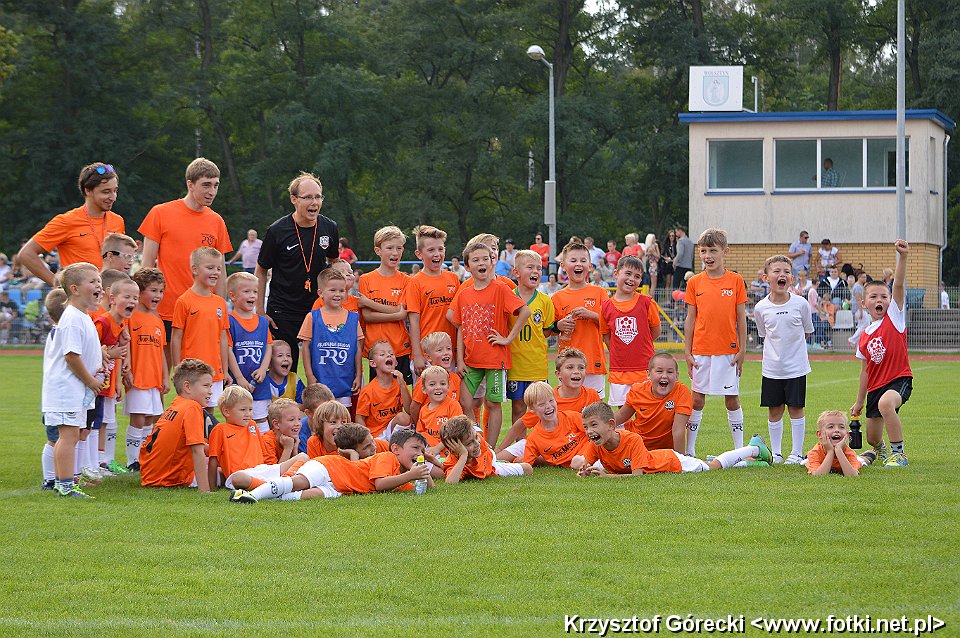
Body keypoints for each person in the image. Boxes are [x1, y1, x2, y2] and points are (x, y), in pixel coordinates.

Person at [139, 158, 232, 343]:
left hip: (203, 310)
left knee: (200, 361)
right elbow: (146, 267)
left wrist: (220, 309)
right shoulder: (160, 213)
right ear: (190, 184)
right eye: (206, 185)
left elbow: (221, 271)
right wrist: (147, 306)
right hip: (166, 308)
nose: (212, 192)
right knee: (165, 361)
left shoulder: (217, 221)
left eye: (216, 185)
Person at [256, 172, 339, 372]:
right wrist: (260, 311)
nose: (314, 202)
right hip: (283, 310)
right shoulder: (277, 230)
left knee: (322, 368)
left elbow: (333, 263)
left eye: (318, 197)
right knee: (284, 368)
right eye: (308, 197)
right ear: (294, 199)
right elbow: (261, 270)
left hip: (317, 309)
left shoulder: (329, 227)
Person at [450, 241, 529, 445]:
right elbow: (460, 327)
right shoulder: (464, 294)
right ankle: (475, 441)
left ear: (492, 262)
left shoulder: (500, 288)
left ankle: (490, 450)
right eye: (476, 260)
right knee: (465, 401)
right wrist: (460, 360)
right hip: (471, 360)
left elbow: (525, 312)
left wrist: (508, 339)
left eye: (485, 259)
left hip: (495, 360)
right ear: (467, 267)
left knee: (493, 404)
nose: (481, 263)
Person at [682, 228, 748, 457]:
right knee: (697, 400)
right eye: (703, 251)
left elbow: (741, 319)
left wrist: (742, 350)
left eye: (712, 250)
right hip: (700, 351)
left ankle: (739, 451)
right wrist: (687, 351)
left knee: (732, 400)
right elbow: (691, 319)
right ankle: (690, 451)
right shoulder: (694, 283)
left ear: (724, 251)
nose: (707, 256)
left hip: (728, 352)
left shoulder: (736, 281)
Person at [232, 428, 434, 502]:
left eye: (422, 450)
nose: (419, 453)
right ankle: (253, 495)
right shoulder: (387, 458)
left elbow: (427, 490)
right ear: (396, 449)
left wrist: (423, 471)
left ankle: (254, 491)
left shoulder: (401, 476)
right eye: (415, 448)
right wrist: (411, 475)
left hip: (341, 488)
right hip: (331, 467)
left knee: (306, 496)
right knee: (298, 482)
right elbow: (380, 484)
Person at [576, 402, 773, 477]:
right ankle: (753, 463)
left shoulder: (632, 440)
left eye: (594, 425)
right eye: (586, 427)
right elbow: (584, 464)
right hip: (665, 461)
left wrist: (607, 477)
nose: (589, 431)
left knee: (713, 467)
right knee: (712, 465)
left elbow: (637, 477)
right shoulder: (596, 444)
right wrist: (584, 472)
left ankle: (755, 448)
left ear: (611, 425)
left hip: (672, 462)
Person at [42, 263, 105, 498]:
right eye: (93, 281)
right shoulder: (71, 318)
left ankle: (64, 482)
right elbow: (71, 356)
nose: (99, 286)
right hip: (66, 389)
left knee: (72, 436)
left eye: (99, 281)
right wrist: (90, 381)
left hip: (75, 390)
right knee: (68, 437)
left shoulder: (82, 315)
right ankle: (65, 486)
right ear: (75, 289)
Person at [851, 240, 913, 468]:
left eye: (884, 297)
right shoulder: (864, 336)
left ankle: (899, 454)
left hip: (898, 380)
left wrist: (902, 257)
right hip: (875, 388)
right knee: (872, 437)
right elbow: (865, 372)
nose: (880, 300)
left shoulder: (894, 318)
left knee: (887, 404)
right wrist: (859, 401)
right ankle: (881, 450)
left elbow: (898, 286)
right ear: (863, 303)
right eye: (874, 297)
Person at [19, 163, 125, 287]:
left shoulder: (118, 221)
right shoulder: (66, 221)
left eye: (115, 191)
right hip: (80, 297)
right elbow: (26, 254)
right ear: (88, 190)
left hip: (111, 295)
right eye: (106, 192)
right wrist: (58, 285)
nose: (113, 197)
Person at [753, 256, 814, 465]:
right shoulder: (760, 308)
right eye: (777, 271)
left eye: (787, 272)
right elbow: (764, 334)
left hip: (796, 368)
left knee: (796, 408)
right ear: (766, 278)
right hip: (772, 368)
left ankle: (796, 453)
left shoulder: (801, 304)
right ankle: (777, 453)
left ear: (792, 278)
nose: (782, 275)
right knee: (774, 410)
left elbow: (806, 331)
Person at [497, 347, 600, 461]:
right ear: (558, 374)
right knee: (499, 458)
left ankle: (540, 460)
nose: (576, 371)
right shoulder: (548, 399)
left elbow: (601, 423)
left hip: (574, 446)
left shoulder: (591, 395)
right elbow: (522, 423)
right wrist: (500, 448)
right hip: (544, 443)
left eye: (581, 367)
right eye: (570, 367)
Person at [170, 247, 230, 416]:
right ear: (195, 269)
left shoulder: (220, 303)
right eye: (210, 268)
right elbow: (176, 337)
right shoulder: (184, 301)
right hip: (192, 371)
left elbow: (223, 337)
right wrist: (177, 368)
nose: (215, 272)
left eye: (218, 268)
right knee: (191, 411)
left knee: (208, 413)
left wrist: (225, 370)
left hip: (214, 371)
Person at [139, 358, 213, 492]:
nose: (210, 391)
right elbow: (197, 451)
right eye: (206, 386)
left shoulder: (177, 404)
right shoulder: (192, 407)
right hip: (169, 477)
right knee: (225, 470)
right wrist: (205, 491)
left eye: (210, 386)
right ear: (187, 386)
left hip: (152, 474)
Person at [600, 255, 661, 408]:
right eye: (628, 273)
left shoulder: (647, 302)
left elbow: (655, 331)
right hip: (619, 371)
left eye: (637, 276)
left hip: (644, 369)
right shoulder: (605, 307)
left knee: (646, 411)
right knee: (622, 413)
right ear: (616, 273)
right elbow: (607, 337)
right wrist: (621, 351)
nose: (631, 279)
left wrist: (640, 344)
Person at [123, 268, 168, 471]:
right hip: (138, 377)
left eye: (161, 291)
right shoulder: (131, 318)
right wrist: (128, 371)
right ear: (140, 292)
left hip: (154, 379)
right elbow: (126, 347)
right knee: (139, 418)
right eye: (153, 290)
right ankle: (132, 460)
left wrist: (165, 378)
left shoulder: (157, 320)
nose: (158, 295)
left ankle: (144, 457)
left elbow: (161, 352)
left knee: (151, 418)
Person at [299, 268, 363, 407]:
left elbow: (357, 348)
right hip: (320, 382)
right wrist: (309, 375)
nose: (338, 294)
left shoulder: (353, 318)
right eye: (332, 290)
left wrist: (358, 375)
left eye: (341, 290)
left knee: (341, 416)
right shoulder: (312, 317)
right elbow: (306, 347)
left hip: (344, 382)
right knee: (320, 415)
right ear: (320, 293)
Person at [552, 241, 607, 398]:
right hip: (567, 365)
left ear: (590, 266)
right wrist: (559, 325)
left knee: (595, 408)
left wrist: (591, 315)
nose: (578, 264)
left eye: (583, 260)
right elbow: (549, 330)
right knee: (569, 406)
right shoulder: (557, 297)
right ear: (563, 266)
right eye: (573, 260)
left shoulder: (599, 293)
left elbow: (610, 324)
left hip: (593, 362)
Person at [506, 250, 556, 425]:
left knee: (540, 409)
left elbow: (547, 331)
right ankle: (519, 442)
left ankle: (540, 440)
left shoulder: (545, 301)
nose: (536, 271)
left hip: (537, 365)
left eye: (539, 268)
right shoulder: (508, 297)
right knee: (518, 408)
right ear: (516, 272)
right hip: (515, 366)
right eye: (530, 267)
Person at [358, 226, 412, 384]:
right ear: (378, 250)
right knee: (379, 392)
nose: (395, 253)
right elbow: (367, 316)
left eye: (399, 248)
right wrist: (397, 315)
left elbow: (401, 311)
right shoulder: (366, 279)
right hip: (376, 350)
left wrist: (369, 303)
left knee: (400, 391)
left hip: (399, 347)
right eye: (389, 248)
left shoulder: (407, 281)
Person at [406, 225, 460, 375]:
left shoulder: (453, 279)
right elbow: (414, 321)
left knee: (450, 389)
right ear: (419, 254)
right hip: (427, 355)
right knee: (426, 390)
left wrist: (458, 352)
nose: (437, 254)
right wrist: (417, 355)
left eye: (440, 249)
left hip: (449, 353)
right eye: (431, 250)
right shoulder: (415, 282)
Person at [614, 353, 693, 452]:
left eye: (670, 372)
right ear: (649, 374)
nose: (664, 376)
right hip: (635, 443)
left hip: (663, 451)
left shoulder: (681, 392)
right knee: (608, 434)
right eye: (659, 371)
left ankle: (695, 454)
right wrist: (601, 425)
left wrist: (679, 458)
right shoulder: (638, 390)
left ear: (676, 376)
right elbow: (621, 415)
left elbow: (678, 430)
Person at [225, 272, 273, 430]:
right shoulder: (229, 321)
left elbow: (268, 346)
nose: (252, 295)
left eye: (255, 291)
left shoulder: (263, 322)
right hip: (238, 382)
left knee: (260, 420)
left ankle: (263, 446)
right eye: (246, 291)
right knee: (237, 422)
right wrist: (239, 378)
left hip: (260, 382)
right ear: (232, 296)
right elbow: (228, 350)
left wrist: (263, 369)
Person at [440, 415, 532, 483]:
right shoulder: (453, 463)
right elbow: (450, 483)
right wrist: (463, 456)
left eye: (476, 437)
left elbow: (528, 469)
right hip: (487, 467)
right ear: (454, 451)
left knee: (527, 468)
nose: (477, 443)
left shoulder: (477, 441)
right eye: (469, 443)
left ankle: (506, 462)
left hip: (491, 463)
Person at [519, 381, 590, 469]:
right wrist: (517, 464)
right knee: (576, 463)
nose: (548, 406)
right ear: (532, 410)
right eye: (541, 404)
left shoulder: (571, 417)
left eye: (551, 400)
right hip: (576, 463)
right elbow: (526, 464)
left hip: (592, 451)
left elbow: (594, 431)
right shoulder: (534, 439)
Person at [207, 386, 266, 489]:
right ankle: (271, 486)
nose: (248, 414)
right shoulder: (220, 430)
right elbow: (213, 460)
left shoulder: (252, 425)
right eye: (243, 410)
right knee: (240, 478)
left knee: (295, 460)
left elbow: (262, 452)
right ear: (226, 411)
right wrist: (211, 488)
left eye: (250, 409)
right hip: (240, 477)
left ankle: (276, 485)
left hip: (260, 471)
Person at [39, 288, 69, 489]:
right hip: (58, 397)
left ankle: (54, 478)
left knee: (56, 438)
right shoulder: (62, 333)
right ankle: (50, 479)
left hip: (52, 396)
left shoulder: (55, 332)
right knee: (54, 439)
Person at [409, 331, 470, 424]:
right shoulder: (425, 379)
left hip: (451, 428)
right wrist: (420, 427)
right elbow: (414, 407)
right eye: (440, 350)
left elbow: (462, 406)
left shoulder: (456, 379)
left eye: (448, 349)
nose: (446, 353)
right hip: (430, 427)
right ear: (428, 357)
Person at [356, 340, 412, 439]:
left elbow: (409, 410)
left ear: (396, 362)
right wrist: (366, 437)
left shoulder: (399, 384)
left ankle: (394, 442)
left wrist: (403, 385)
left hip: (393, 429)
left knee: (404, 418)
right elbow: (359, 417)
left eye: (391, 354)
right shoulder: (368, 390)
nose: (388, 355)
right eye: (382, 354)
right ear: (373, 363)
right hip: (375, 434)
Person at [416, 365, 464, 457]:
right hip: (430, 450)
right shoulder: (424, 410)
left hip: (450, 450)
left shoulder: (453, 405)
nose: (438, 387)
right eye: (432, 384)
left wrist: (437, 448)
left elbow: (457, 433)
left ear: (448, 387)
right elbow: (420, 433)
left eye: (442, 384)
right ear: (424, 389)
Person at [806, 410, 869, 477]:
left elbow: (852, 476)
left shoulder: (849, 453)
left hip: (857, 459)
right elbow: (818, 476)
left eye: (841, 427)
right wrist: (830, 451)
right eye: (831, 427)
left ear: (847, 434)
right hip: (811, 458)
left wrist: (839, 450)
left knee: (862, 461)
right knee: (805, 461)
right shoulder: (815, 452)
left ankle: (869, 455)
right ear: (819, 434)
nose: (837, 430)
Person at [260, 398, 302, 464]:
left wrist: (294, 448)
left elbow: (297, 466)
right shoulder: (267, 442)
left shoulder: (292, 438)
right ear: (276, 424)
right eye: (291, 420)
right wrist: (287, 449)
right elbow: (274, 470)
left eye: (299, 419)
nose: (298, 424)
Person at [297, 382, 335, 453]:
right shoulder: (299, 435)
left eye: (332, 408)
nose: (330, 413)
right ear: (309, 413)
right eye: (323, 410)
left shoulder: (338, 426)